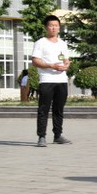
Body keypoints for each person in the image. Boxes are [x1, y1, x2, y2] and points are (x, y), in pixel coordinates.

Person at [31, 15, 71, 147]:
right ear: (46, 27)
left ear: (59, 27)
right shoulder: (40, 42)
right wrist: (51, 65)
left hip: (62, 80)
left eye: (56, 25)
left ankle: (58, 135)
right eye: (51, 25)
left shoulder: (63, 44)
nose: (54, 28)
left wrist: (66, 65)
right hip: (47, 80)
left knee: (59, 109)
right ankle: (41, 136)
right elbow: (35, 61)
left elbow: (65, 59)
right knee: (44, 109)